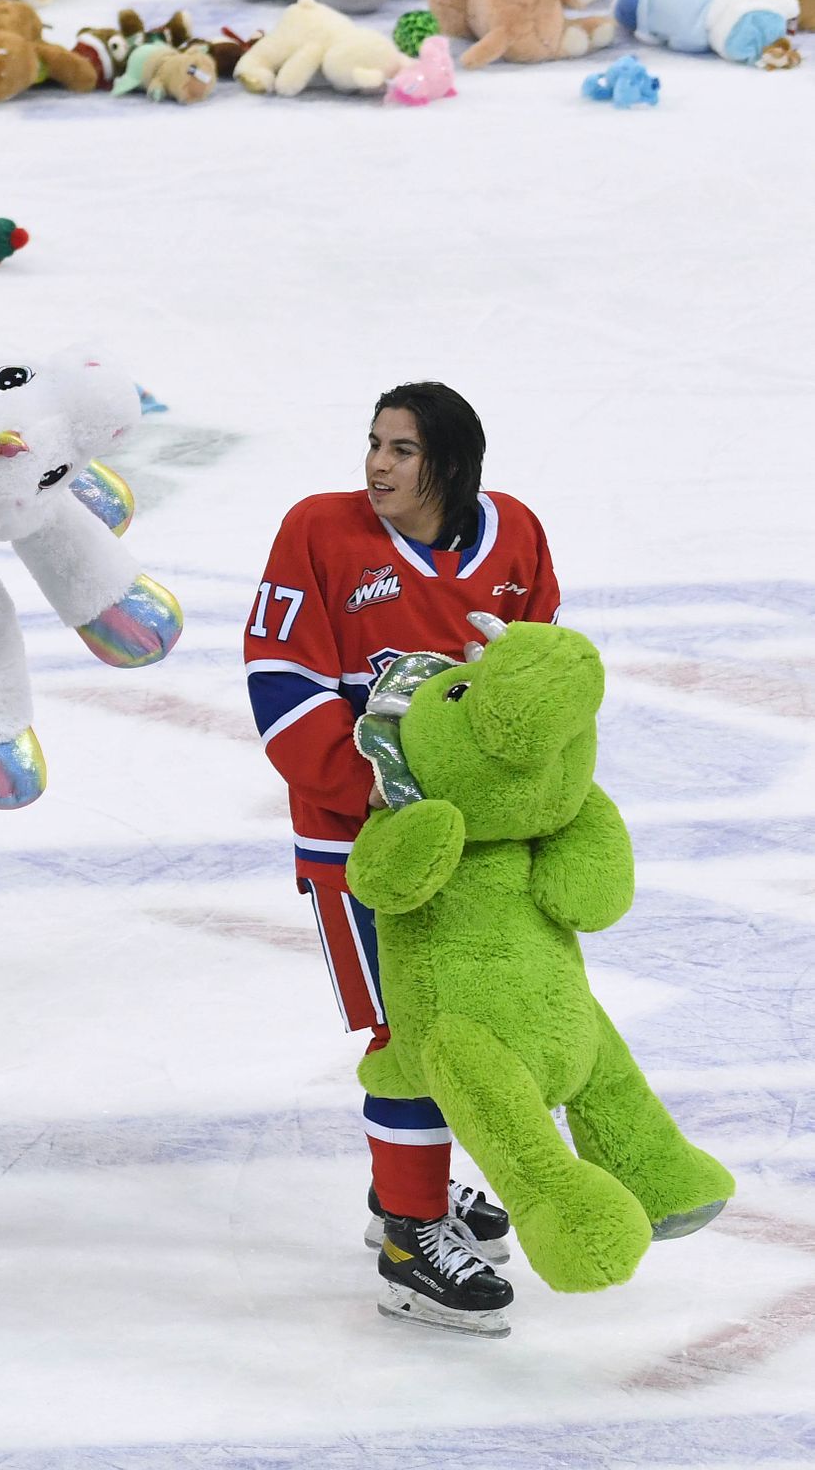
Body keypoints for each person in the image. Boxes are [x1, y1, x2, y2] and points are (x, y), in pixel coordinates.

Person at [245, 382, 561, 1337]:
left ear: (452, 466)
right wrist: (371, 787)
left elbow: (540, 683)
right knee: (410, 1033)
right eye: (374, 444)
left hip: (479, 846)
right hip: (360, 845)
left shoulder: (516, 539)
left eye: (403, 451)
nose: (377, 465)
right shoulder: (319, 532)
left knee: (471, 1018)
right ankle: (410, 1235)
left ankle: (408, 1187)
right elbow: (280, 678)